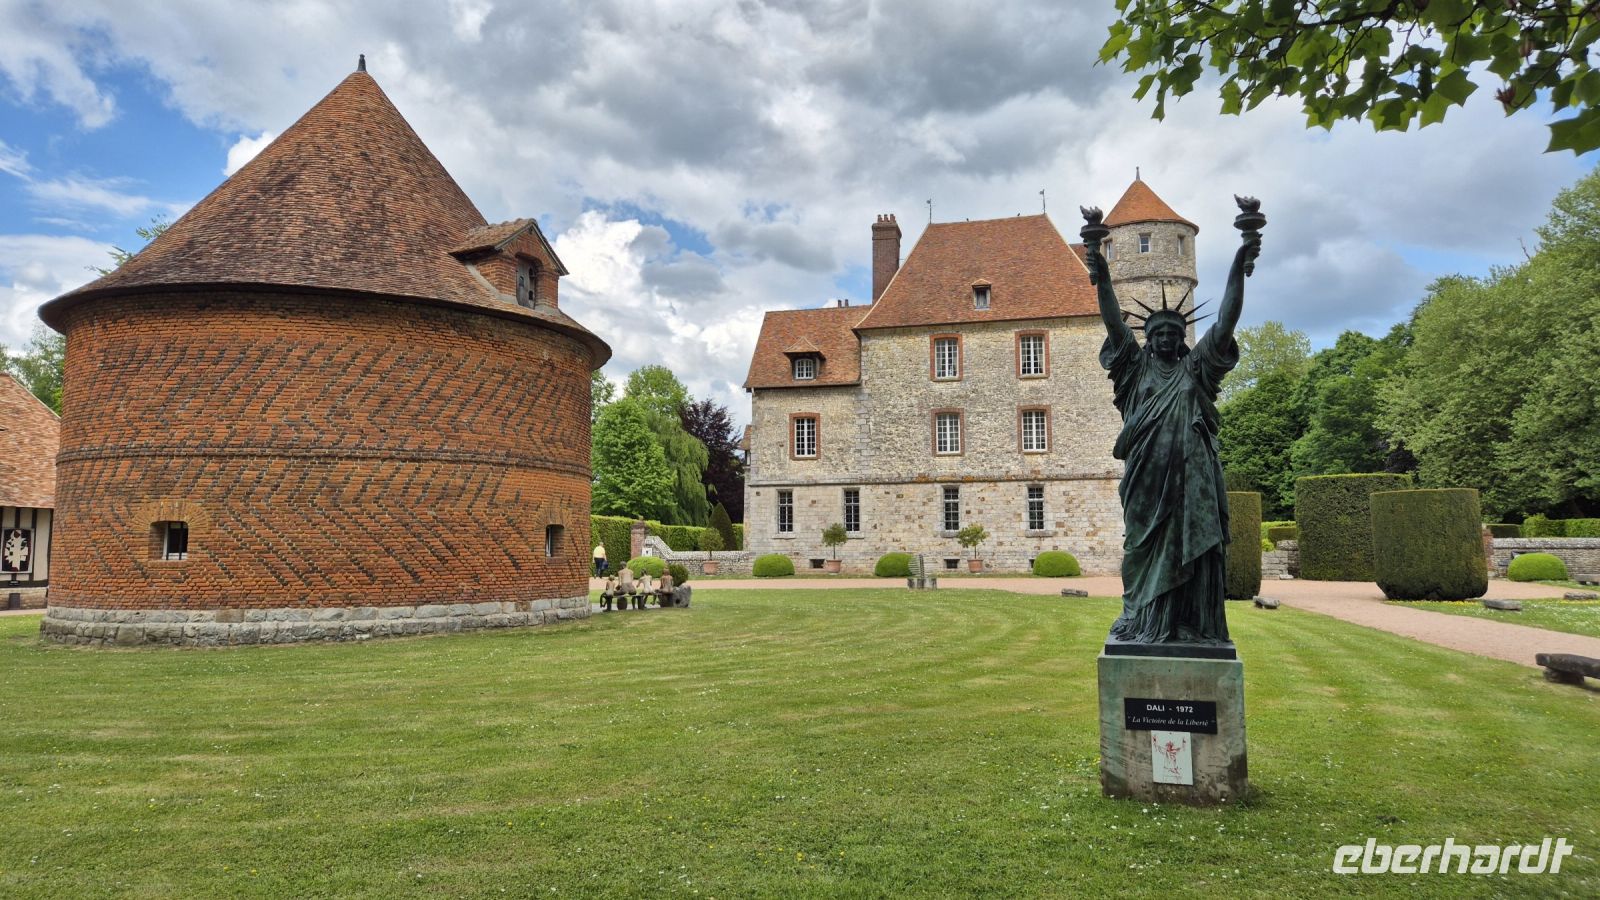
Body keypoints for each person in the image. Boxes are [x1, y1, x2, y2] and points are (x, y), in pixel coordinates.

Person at [1083, 206, 1261, 648]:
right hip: (1146, 481)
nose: (1164, 338)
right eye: (1157, 332)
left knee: (1196, 554)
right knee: (1140, 552)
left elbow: (1226, 320)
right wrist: (1097, 263)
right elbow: (1110, 315)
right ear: (1148, 338)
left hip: (1194, 478)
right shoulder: (1133, 370)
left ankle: (1193, 624)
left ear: (1182, 339)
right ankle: (1145, 620)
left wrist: (1240, 260)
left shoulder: (1198, 370)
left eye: (1172, 333)